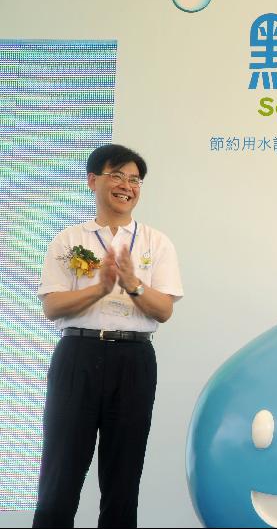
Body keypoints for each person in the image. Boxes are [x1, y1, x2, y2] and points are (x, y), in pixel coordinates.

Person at [33, 144, 183, 528]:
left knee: (122, 482)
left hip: (134, 361)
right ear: (93, 180)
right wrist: (99, 289)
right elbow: (52, 307)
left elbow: (163, 310)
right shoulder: (68, 240)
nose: (127, 185)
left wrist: (132, 282)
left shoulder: (156, 242)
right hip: (77, 356)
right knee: (59, 479)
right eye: (117, 175)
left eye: (134, 179)